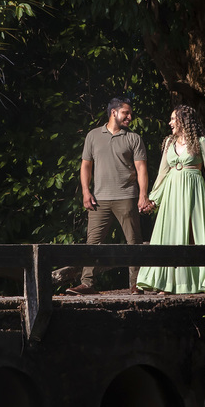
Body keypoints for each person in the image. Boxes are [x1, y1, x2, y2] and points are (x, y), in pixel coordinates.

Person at [136, 105, 205, 294]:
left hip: (193, 192)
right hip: (171, 193)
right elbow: (162, 173)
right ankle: (166, 283)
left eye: (173, 119)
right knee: (169, 233)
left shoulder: (201, 142)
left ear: (184, 120)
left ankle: (191, 282)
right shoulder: (169, 142)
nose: (170, 123)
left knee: (191, 234)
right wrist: (153, 200)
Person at [67, 97, 153, 295]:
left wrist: (143, 195)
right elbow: (86, 165)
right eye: (126, 113)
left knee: (134, 242)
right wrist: (86, 192)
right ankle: (87, 283)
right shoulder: (93, 136)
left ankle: (136, 284)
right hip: (99, 199)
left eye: (130, 113)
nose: (130, 117)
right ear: (114, 112)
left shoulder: (133, 138)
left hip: (127, 196)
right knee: (93, 242)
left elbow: (141, 169)